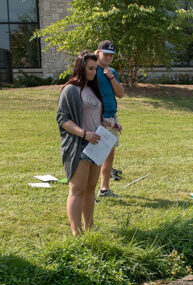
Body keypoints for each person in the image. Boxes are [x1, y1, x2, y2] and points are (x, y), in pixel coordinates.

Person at [57, 51, 104, 235]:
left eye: (95, 69)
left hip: (96, 145)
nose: (93, 72)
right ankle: (76, 232)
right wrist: (84, 134)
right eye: (90, 68)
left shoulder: (93, 90)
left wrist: (108, 123)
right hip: (79, 145)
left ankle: (89, 227)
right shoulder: (70, 90)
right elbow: (63, 119)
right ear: (81, 67)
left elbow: (95, 116)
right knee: (77, 189)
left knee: (91, 189)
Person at [94, 40, 126, 199]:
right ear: (97, 52)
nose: (108, 58)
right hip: (97, 118)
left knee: (109, 153)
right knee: (95, 155)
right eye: (105, 54)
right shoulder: (91, 70)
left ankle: (104, 189)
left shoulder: (111, 71)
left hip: (112, 117)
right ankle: (89, 191)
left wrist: (111, 76)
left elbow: (120, 94)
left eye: (111, 56)